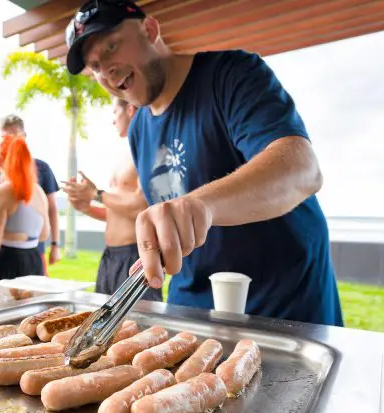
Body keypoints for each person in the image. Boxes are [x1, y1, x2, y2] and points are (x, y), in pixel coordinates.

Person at [62, 0, 343, 326]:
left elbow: (301, 169)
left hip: (285, 312)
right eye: (94, 66)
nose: (106, 69)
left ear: (150, 30)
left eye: (112, 46)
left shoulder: (231, 74)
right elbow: (168, 215)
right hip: (190, 315)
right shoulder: (139, 129)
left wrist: (201, 205)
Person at [64, 98, 162, 301]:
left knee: (137, 324)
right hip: (111, 256)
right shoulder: (129, 154)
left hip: (134, 255)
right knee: (102, 324)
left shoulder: (150, 151)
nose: (112, 120)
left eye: (114, 111)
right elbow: (117, 213)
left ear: (130, 109)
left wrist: (97, 194)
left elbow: (142, 207)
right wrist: (86, 207)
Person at [0, 114, 61, 274]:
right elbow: (43, 233)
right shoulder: (38, 191)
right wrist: (21, 235)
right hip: (33, 258)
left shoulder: (0, 193)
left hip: (7, 262)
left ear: (0, 162)